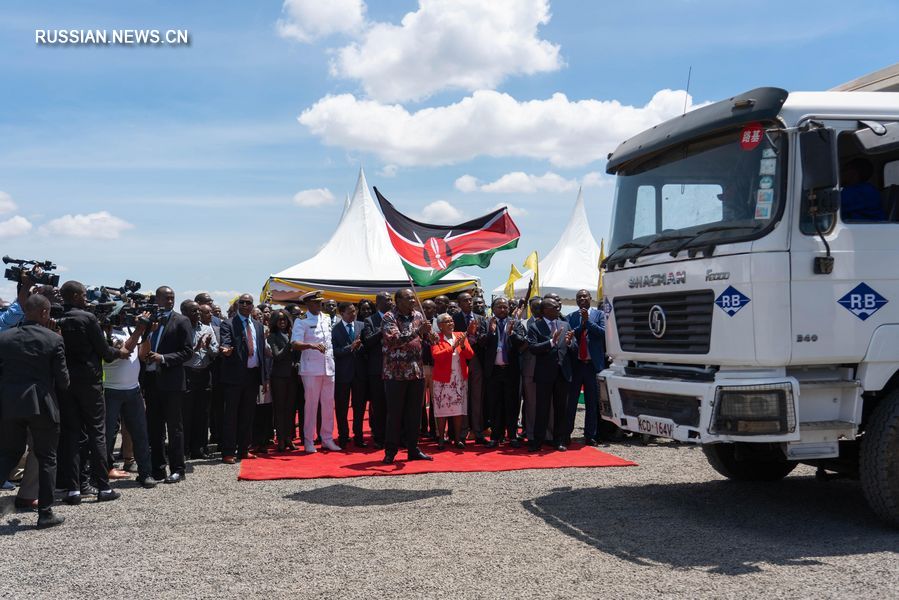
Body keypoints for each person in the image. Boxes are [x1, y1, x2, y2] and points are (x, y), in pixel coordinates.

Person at [57, 280, 131, 504]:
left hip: (66, 382)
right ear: (78, 295)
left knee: (72, 434)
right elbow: (105, 352)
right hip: (90, 382)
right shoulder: (87, 318)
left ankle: (74, 489)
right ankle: (103, 487)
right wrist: (121, 351)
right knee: (97, 432)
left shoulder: (57, 317)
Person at [0, 295, 69, 528]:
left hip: (9, 404)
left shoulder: (4, 337)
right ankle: (45, 513)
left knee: (8, 454)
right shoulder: (53, 339)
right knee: (47, 457)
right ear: (44, 313)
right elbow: (63, 381)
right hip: (42, 405)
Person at [143, 286, 194, 484]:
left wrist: (163, 358)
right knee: (154, 428)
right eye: (166, 297)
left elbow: (188, 351)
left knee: (174, 428)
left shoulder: (181, 321)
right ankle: (157, 469)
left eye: (172, 297)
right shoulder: (148, 320)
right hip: (150, 381)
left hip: (172, 382)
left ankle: (178, 469)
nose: (170, 300)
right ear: (157, 299)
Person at [102, 309, 157, 488]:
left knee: (140, 433)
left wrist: (146, 334)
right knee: (108, 434)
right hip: (109, 390)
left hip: (133, 390)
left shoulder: (130, 329)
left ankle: (145, 473)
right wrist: (139, 331)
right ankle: (104, 472)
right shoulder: (104, 331)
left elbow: (142, 355)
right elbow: (122, 353)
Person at [381, 289, 434, 464]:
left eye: (413, 297)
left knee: (414, 413)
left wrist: (429, 336)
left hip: (415, 370)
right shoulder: (389, 317)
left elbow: (423, 340)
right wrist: (418, 331)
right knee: (395, 414)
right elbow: (394, 340)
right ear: (398, 301)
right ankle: (390, 450)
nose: (413, 300)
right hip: (395, 372)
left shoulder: (418, 315)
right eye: (408, 298)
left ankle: (413, 448)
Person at [219, 293, 268, 463]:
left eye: (249, 303)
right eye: (243, 302)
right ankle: (228, 452)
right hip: (234, 376)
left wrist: (265, 378)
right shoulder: (229, 323)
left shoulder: (258, 326)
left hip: (252, 375)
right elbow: (225, 341)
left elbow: (262, 352)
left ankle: (243, 450)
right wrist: (225, 349)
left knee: (248, 415)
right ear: (237, 304)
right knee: (231, 416)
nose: (246, 305)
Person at [291, 291, 341, 453]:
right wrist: (311, 345)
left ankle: (327, 439)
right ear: (308, 304)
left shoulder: (326, 318)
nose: (320, 305)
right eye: (316, 302)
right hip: (311, 369)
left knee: (328, 405)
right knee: (311, 406)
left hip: (328, 367)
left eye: (320, 302)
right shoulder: (301, 320)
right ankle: (308, 440)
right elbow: (295, 343)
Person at [527, 298, 575, 452]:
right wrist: (551, 342)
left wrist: (569, 343)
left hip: (563, 373)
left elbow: (573, 346)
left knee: (561, 408)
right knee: (542, 409)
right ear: (545, 309)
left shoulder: (565, 324)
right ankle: (538, 441)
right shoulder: (535, 327)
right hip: (545, 374)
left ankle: (559, 440)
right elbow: (533, 348)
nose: (558, 308)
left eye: (558, 306)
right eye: (555, 306)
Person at [483, 297, 527, 448]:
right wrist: (491, 332)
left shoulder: (516, 323)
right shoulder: (487, 322)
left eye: (505, 307)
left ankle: (512, 436)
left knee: (512, 404)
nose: (502, 310)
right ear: (493, 308)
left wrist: (512, 334)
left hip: (511, 370)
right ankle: (495, 437)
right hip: (493, 371)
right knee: (494, 404)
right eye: (499, 307)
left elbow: (523, 342)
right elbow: (480, 342)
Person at [181, 300, 219, 459]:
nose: (197, 314)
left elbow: (215, 351)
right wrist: (196, 348)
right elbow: (180, 354)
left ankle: (199, 448)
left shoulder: (206, 328)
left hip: (204, 374)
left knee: (202, 414)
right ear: (185, 313)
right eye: (193, 311)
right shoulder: (182, 329)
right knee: (186, 414)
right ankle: (184, 450)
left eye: (198, 311)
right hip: (188, 373)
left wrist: (209, 346)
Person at [430, 313, 474, 449]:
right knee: (441, 410)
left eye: (451, 321)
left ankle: (457, 438)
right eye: (447, 321)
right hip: (443, 379)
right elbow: (437, 356)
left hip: (458, 378)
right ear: (440, 325)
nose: (450, 323)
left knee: (458, 409)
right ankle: (441, 439)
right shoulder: (437, 338)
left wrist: (462, 346)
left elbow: (470, 355)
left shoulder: (460, 335)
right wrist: (453, 347)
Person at [453, 292, 488, 444]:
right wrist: (468, 333)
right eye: (465, 300)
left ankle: (478, 432)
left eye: (470, 300)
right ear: (459, 304)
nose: (469, 302)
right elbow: (452, 339)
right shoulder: (454, 319)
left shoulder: (481, 319)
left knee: (477, 397)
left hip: (477, 361)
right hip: (460, 361)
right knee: (462, 398)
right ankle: (462, 433)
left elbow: (485, 340)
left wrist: (476, 335)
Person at [332, 302, 368, 448]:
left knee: (359, 407)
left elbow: (368, 346)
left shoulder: (361, 325)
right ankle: (343, 436)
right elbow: (335, 351)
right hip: (343, 374)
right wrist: (350, 347)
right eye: (349, 312)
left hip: (359, 373)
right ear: (341, 313)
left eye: (354, 311)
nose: (353, 314)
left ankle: (358, 436)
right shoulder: (335, 329)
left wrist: (361, 346)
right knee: (341, 407)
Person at [362, 291, 393, 449]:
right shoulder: (370, 320)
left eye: (391, 299)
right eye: (387, 299)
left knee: (394, 405)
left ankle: (394, 437)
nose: (390, 301)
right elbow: (367, 341)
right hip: (377, 369)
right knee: (379, 405)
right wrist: (382, 329)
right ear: (378, 302)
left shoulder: (396, 317)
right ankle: (379, 438)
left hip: (395, 369)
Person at [267, 310, 297, 452]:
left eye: (284, 319)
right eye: (279, 320)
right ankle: (280, 439)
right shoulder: (272, 336)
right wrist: (290, 343)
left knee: (290, 409)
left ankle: (288, 438)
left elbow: (297, 354)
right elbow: (277, 356)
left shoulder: (292, 334)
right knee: (280, 409)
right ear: (274, 322)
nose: (282, 322)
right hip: (279, 376)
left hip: (292, 375)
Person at [520, 296, 543, 442]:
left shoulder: (550, 323)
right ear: (530, 308)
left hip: (546, 368)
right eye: (534, 307)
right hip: (529, 368)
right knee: (530, 403)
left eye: (540, 307)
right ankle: (530, 433)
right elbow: (520, 347)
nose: (537, 310)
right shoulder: (523, 324)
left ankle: (546, 433)